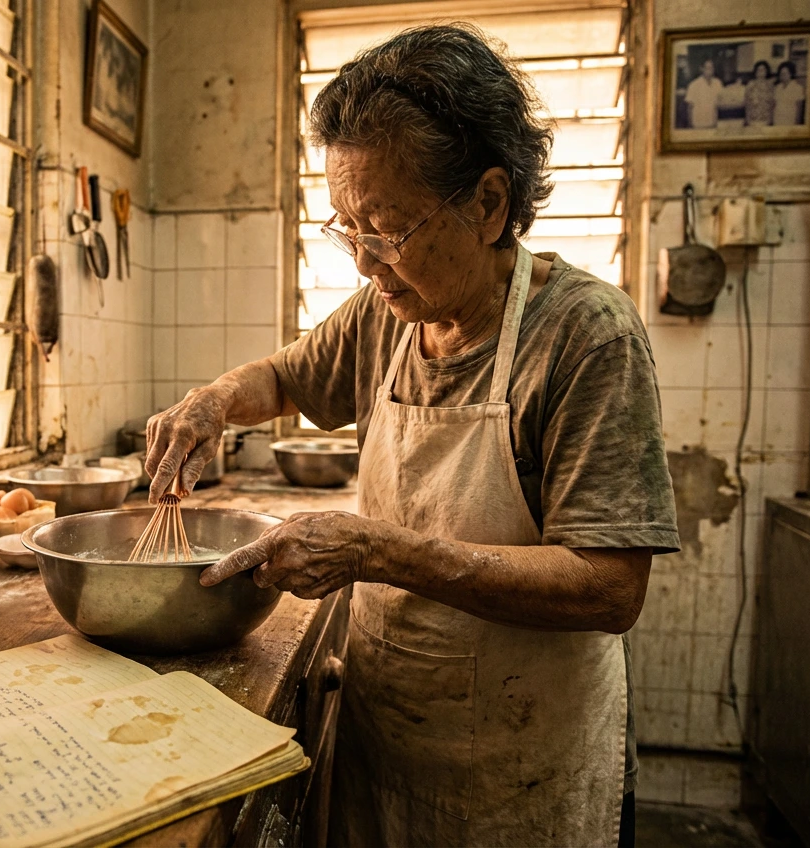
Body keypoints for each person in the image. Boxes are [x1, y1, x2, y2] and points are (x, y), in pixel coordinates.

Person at [143, 24, 678, 848]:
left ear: (489, 204)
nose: (362, 261)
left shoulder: (584, 334)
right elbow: (285, 378)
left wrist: (377, 553)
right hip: (390, 735)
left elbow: (610, 587)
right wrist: (213, 401)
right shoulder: (384, 313)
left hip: (523, 758)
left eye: (385, 229)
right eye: (344, 228)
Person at [684, 57, 723, 129]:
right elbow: (689, 107)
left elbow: (721, 102)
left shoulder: (718, 83)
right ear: (701, 69)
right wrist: (690, 125)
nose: (710, 70)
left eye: (712, 68)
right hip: (698, 124)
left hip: (714, 123)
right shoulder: (693, 85)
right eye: (707, 68)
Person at [773, 61, 805, 126]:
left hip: (790, 120)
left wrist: (797, 123)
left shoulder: (798, 88)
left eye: (785, 74)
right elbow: (775, 104)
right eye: (781, 74)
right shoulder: (777, 87)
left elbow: (799, 108)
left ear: (791, 74)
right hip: (777, 120)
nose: (783, 76)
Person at [745, 61, 776, 126]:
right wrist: (747, 119)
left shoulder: (770, 85)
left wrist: (771, 119)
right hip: (753, 119)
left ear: (767, 71)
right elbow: (747, 103)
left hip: (766, 119)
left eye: (763, 69)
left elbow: (772, 104)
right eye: (759, 69)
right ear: (755, 72)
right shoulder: (751, 84)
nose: (761, 71)